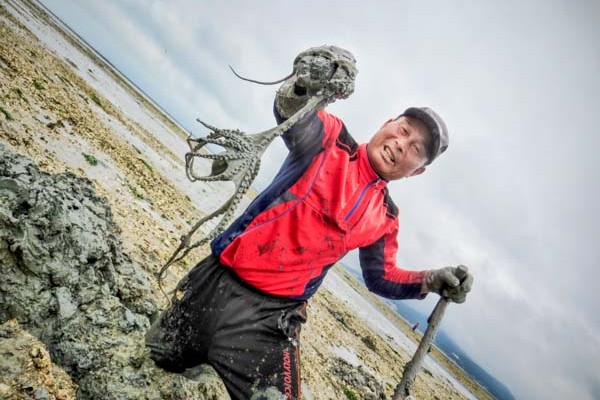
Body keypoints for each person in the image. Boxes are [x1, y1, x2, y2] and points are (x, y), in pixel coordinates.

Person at [146, 45, 473, 400]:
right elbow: (291, 111)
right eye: (404, 129)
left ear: (418, 170)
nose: (402, 143)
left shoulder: (385, 219)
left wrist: (429, 279)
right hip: (215, 281)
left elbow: (381, 277)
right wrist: (306, 82)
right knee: (152, 363)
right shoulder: (330, 139)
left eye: (416, 148)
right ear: (387, 124)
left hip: (270, 321)